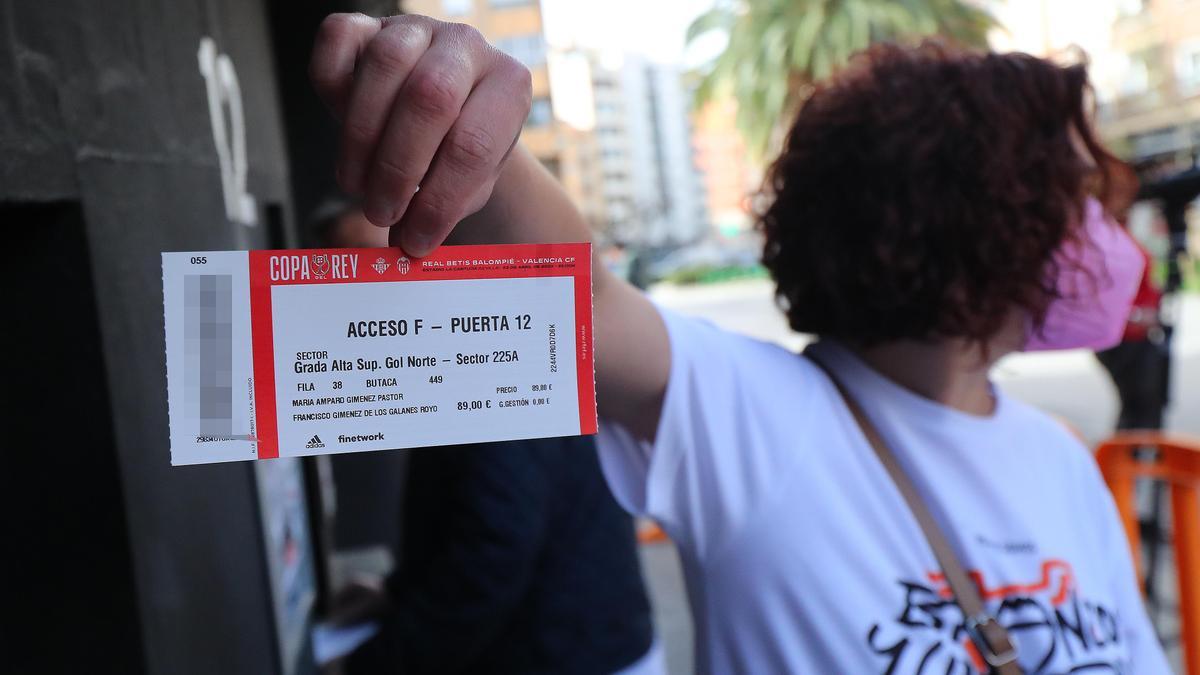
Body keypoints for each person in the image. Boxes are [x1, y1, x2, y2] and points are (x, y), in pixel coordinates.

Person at [309, 14, 1170, 672]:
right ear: (983, 220)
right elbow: (573, 296)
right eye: (1080, 197)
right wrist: (469, 112)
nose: (1105, 232)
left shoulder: (1062, 462)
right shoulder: (755, 421)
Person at [314, 204, 664, 675]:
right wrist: (397, 593)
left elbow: (488, 555)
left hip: (572, 652)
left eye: (386, 255)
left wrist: (373, 664)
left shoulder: (482, 353)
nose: (372, 278)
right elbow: (472, 521)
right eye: (348, 264)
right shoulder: (441, 347)